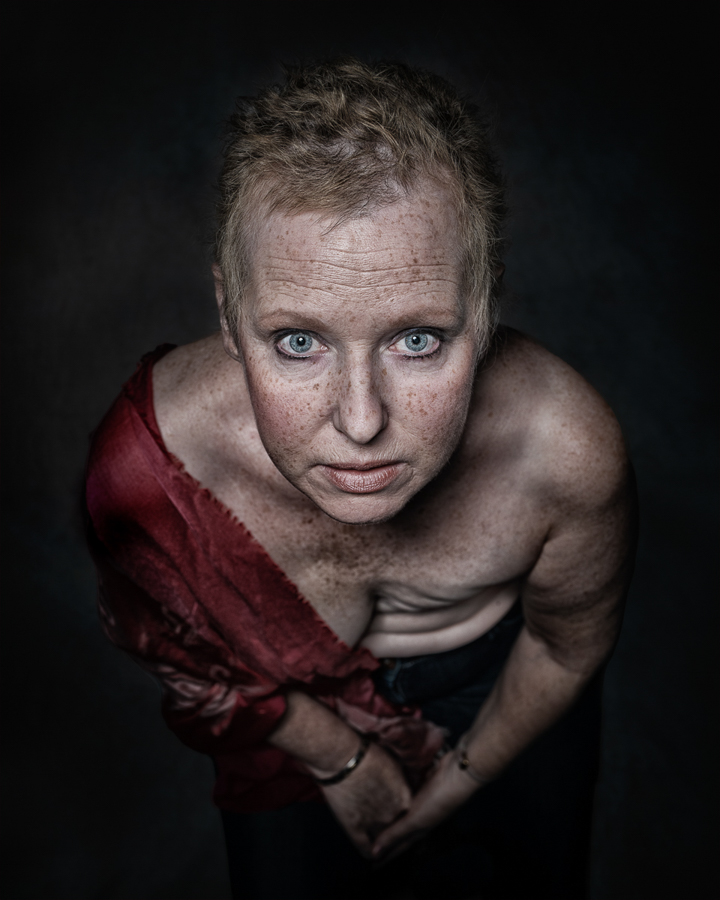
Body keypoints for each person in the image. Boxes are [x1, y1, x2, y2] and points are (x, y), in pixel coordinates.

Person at [85, 59, 637, 900]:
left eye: (417, 340)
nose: (361, 421)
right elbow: (167, 644)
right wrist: (334, 754)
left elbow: (568, 645)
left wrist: (461, 779)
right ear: (229, 317)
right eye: (298, 342)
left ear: (484, 308)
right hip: (280, 718)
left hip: (503, 697)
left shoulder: (565, 452)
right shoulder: (151, 468)